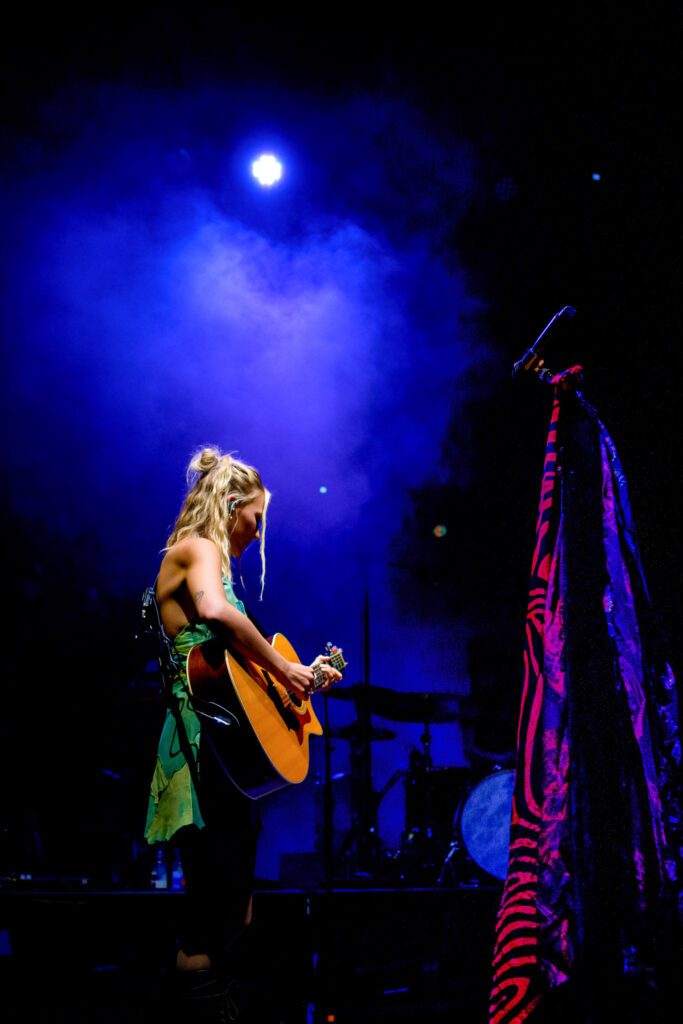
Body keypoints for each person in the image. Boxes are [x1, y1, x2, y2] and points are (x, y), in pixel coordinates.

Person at [144, 446, 342, 1021]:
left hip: (225, 747)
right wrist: (286, 670)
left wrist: (294, 685)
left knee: (235, 910)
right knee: (209, 912)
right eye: (256, 517)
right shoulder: (197, 549)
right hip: (200, 745)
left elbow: (235, 668)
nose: (258, 532)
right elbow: (217, 614)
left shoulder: (215, 561)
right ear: (231, 506)